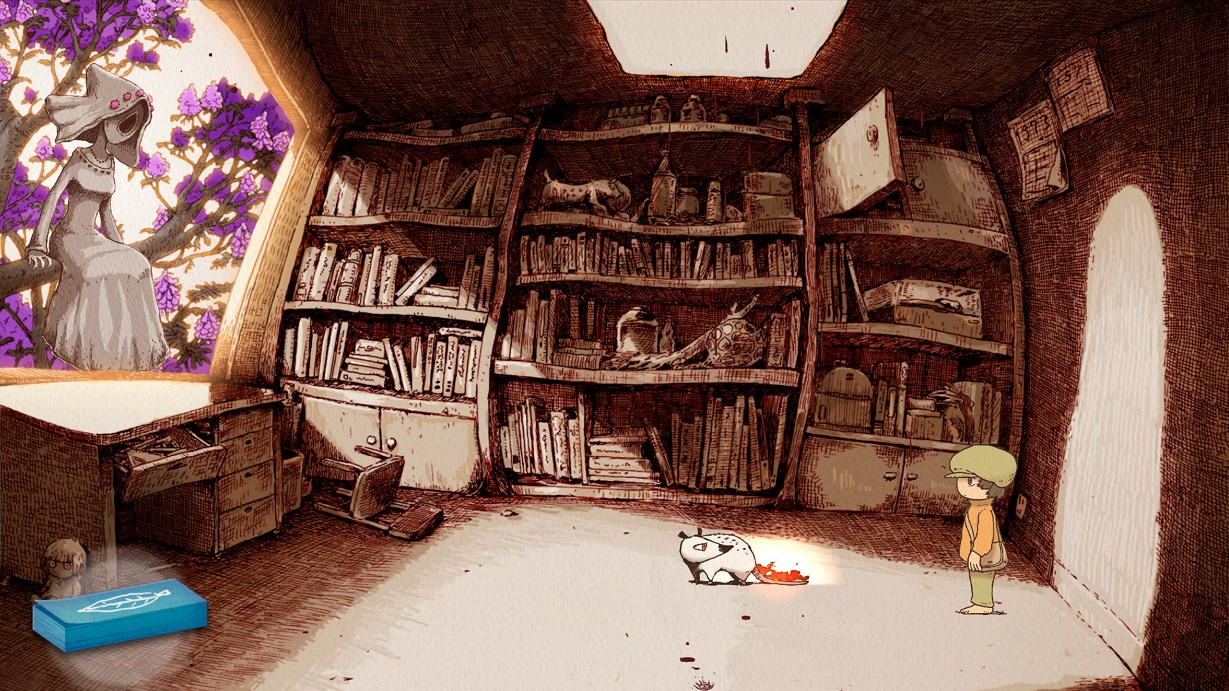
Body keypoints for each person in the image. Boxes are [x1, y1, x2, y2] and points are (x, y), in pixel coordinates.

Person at [26, 64, 169, 371]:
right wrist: (37, 246)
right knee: (93, 271)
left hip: (93, 237)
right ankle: (90, 352)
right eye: (120, 121)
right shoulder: (78, 158)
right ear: (105, 121)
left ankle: (122, 352)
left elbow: (106, 215)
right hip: (68, 237)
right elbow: (52, 199)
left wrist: (121, 248)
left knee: (138, 264)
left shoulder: (110, 167)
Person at [945, 444, 1017, 614]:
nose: (962, 485)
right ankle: (980, 602)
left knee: (982, 578)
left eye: (969, 481)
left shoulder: (984, 511)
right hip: (977, 552)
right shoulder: (976, 507)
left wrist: (977, 553)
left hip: (984, 553)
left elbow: (985, 536)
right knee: (977, 577)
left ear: (990, 486)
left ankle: (983, 604)